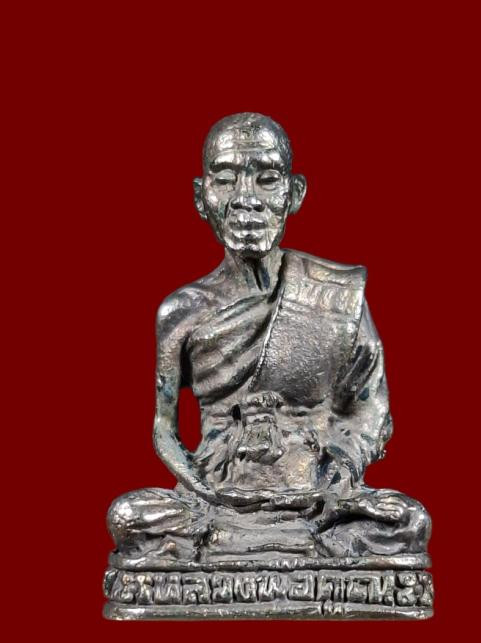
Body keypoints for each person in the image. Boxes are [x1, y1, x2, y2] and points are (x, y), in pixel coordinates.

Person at [107, 113, 431, 561]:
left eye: (267, 179)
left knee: (409, 522)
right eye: (225, 180)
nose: (246, 200)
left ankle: (262, 543)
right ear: (202, 197)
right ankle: (279, 545)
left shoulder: (332, 294)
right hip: (217, 496)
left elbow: (370, 407)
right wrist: (204, 490)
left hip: (316, 497)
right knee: (128, 517)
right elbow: (164, 429)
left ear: (293, 194)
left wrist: (337, 475)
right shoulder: (181, 312)